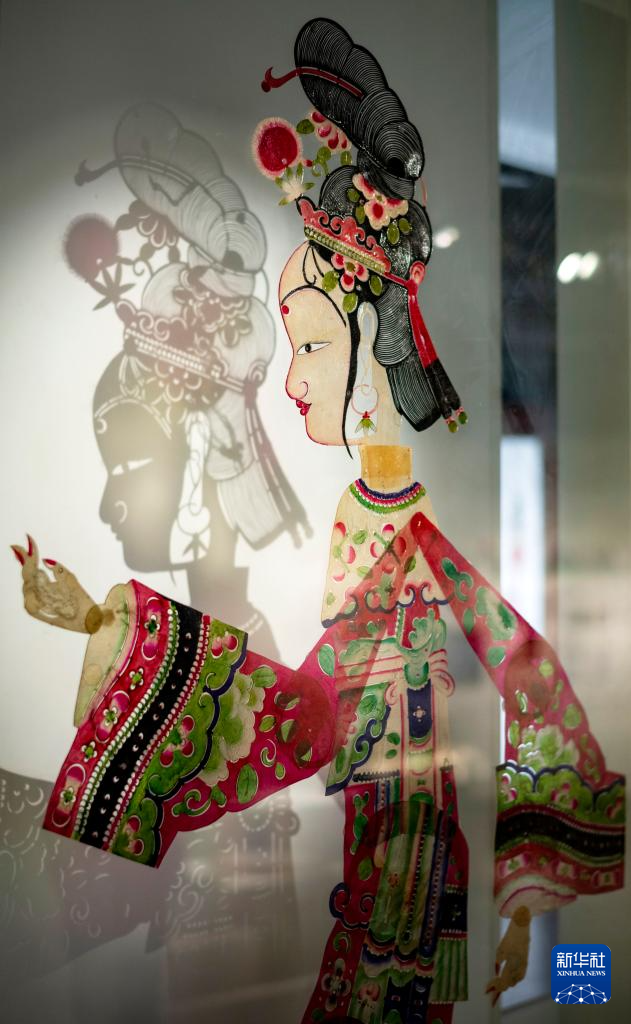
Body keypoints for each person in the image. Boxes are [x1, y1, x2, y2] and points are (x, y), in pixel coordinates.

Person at [12, 20, 624, 1024]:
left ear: (373, 343)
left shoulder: (400, 532)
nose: (289, 382)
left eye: (304, 346)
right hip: (383, 879)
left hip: (403, 891)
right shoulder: (371, 516)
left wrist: (114, 629)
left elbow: (317, 713)